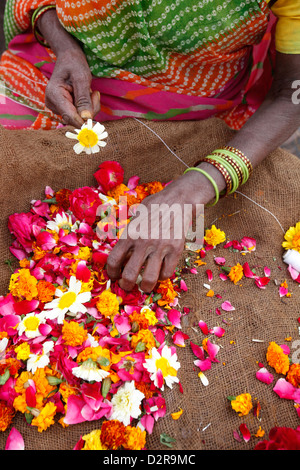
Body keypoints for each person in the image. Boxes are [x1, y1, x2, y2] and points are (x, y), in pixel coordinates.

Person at [0, 0, 300, 293]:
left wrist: (194, 188)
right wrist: (65, 47)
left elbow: (293, 94)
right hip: (59, 77)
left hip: (189, 111)